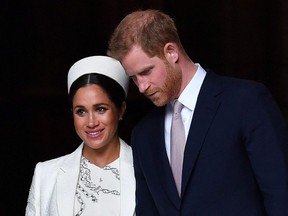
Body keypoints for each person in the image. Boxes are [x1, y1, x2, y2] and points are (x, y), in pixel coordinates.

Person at [106, 9, 288, 215]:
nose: (141, 86)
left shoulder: (246, 102)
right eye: (133, 78)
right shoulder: (143, 134)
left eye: (146, 72)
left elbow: (281, 194)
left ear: (171, 52)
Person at [25, 56, 135, 216]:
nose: (91, 123)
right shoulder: (46, 174)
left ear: (121, 110)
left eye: (101, 109)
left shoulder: (147, 171)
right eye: (81, 111)